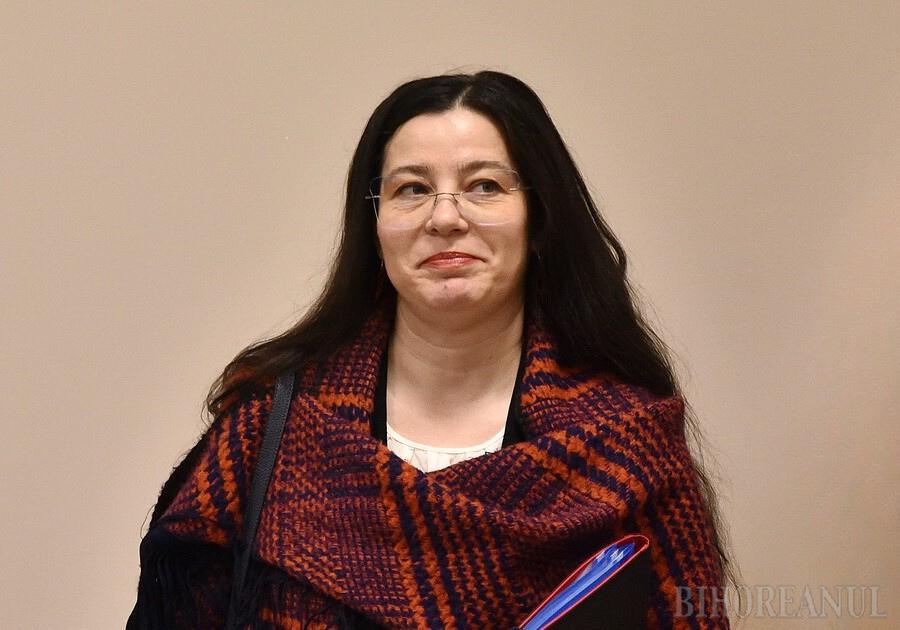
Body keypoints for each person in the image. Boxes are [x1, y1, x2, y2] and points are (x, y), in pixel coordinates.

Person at [128, 70, 734, 629]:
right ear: (375, 226)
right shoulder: (272, 429)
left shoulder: (625, 446)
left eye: (484, 186)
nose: (445, 218)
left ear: (539, 217)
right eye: (412, 189)